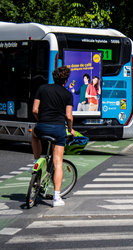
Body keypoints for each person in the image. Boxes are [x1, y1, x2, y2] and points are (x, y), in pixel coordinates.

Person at [31, 66, 76, 207]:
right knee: (58, 162)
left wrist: (40, 120)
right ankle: (56, 197)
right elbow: (68, 116)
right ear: (66, 79)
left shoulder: (42, 89)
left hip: (42, 125)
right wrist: (70, 129)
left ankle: (37, 160)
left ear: (53, 77)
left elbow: (34, 109)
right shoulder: (68, 95)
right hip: (58, 129)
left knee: (34, 134)